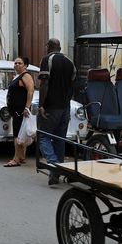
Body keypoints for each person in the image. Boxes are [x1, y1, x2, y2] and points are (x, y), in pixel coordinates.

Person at [37, 39, 76, 186]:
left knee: (43, 136)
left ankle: (54, 165)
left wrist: (41, 105)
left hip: (51, 107)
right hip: (65, 107)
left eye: (46, 46)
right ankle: (57, 172)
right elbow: (73, 84)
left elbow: (44, 83)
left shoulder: (47, 59)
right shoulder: (69, 62)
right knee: (60, 139)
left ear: (50, 47)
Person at [5, 57, 35, 168]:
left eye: (20, 63)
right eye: (15, 63)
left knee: (17, 135)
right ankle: (21, 156)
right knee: (21, 133)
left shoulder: (26, 76)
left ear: (26, 65)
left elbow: (30, 91)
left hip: (21, 110)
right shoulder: (18, 77)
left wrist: (27, 107)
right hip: (16, 110)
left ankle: (16, 159)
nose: (17, 65)